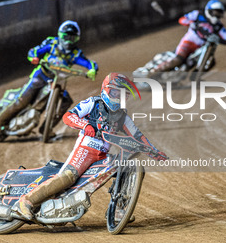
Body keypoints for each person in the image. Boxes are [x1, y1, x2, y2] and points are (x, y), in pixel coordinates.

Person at [14, 73, 168, 220]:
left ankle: (119, 211)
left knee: (126, 168)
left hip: (102, 155)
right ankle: (27, 201)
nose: (118, 98)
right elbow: (68, 116)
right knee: (69, 176)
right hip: (85, 149)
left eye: (122, 95)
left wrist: (154, 151)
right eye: (115, 93)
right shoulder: (93, 103)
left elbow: (138, 136)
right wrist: (85, 124)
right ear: (106, 90)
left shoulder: (123, 116)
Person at [0, 20, 98, 135]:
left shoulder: (76, 53)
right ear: (60, 35)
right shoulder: (52, 43)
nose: (68, 41)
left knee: (66, 101)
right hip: (41, 76)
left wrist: (92, 70)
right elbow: (34, 51)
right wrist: (33, 57)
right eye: (66, 37)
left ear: (77, 39)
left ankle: (46, 128)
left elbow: (90, 63)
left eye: (72, 38)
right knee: (23, 100)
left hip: (58, 82)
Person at [151, 0, 226, 73]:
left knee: (210, 62)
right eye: (216, 12)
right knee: (179, 60)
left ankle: (196, 77)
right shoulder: (197, 14)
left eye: (219, 13)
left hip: (201, 47)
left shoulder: (218, 25)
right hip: (189, 42)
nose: (217, 15)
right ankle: (153, 72)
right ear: (209, 10)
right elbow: (182, 19)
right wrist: (191, 23)